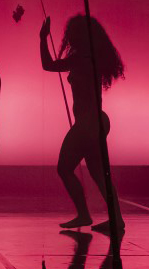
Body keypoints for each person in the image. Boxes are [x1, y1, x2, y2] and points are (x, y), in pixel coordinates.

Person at [40, 14, 125, 234]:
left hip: (87, 123)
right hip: (96, 121)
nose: (68, 36)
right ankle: (116, 219)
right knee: (98, 174)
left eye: (71, 32)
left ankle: (84, 214)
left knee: (64, 168)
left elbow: (48, 65)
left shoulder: (82, 59)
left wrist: (42, 38)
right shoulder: (91, 58)